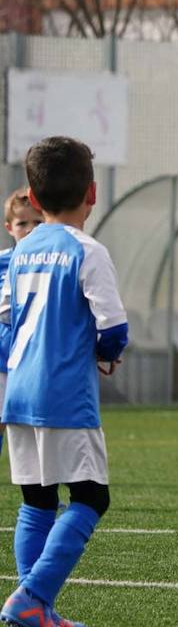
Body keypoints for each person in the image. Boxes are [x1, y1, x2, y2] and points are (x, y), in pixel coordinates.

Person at [1, 138, 128, 627]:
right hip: (63, 392)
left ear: (32, 194)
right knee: (92, 496)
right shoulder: (88, 250)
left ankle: (35, 619)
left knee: (36, 500)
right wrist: (106, 352)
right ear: (92, 192)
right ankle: (31, 599)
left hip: (18, 389)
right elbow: (114, 326)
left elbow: (6, 323)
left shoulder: (21, 250)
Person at [0, 187, 41, 460]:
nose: (30, 229)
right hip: (3, 354)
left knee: (33, 424)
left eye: (37, 222)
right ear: (9, 227)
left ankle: (41, 494)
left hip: (35, 355)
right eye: (22, 223)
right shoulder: (3, 261)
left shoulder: (50, 260)